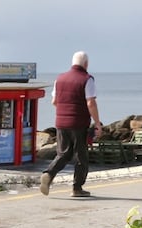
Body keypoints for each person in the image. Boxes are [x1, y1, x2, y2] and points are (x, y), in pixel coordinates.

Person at [40, 50, 103, 198]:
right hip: (79, 123)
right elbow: (91, 102)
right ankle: (77, 188)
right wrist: (97, 123)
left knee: (63, 154)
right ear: (86, 64)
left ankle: (48, 174)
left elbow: (54, 102)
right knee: (81, 157)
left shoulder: (60, 79)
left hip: (61, 123)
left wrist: (65, 112)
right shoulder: (87, 79)